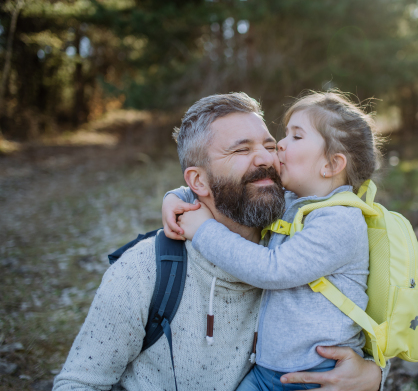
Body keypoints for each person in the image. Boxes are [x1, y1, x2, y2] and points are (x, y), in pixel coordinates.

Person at [53, 92, 386, 391]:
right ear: (197, 180)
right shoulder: (143, 273)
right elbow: (77, 383)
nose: (267, 158)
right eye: (242, 149)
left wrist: (373, 377)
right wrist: (177, 197)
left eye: (270, 146)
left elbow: (360, 326)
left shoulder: (300, 231)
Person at [163, 91, 383, 391]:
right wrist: (178, 197)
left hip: (317, 375)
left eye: (296, 136)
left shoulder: (340, 220)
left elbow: (272, 270)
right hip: (270, 371)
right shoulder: (295, 200)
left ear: (331, 165)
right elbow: (230, 186)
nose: (279, 144)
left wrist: (203, 231)